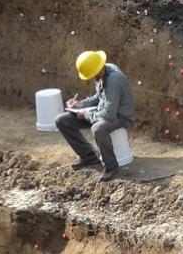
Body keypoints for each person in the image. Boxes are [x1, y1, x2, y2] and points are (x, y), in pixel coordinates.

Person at [56, 50, 136, 181]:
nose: (91, 78)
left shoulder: (114, 80)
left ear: (97, 70)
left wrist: (87, 114)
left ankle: (111, 167)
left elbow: (109, 115)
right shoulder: (101, 72)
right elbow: (98, 98)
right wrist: (80, 104)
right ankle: (88, 156)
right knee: (61, 120)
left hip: (120, 116)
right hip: (103, 111)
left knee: (98, 128)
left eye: (91, 75)